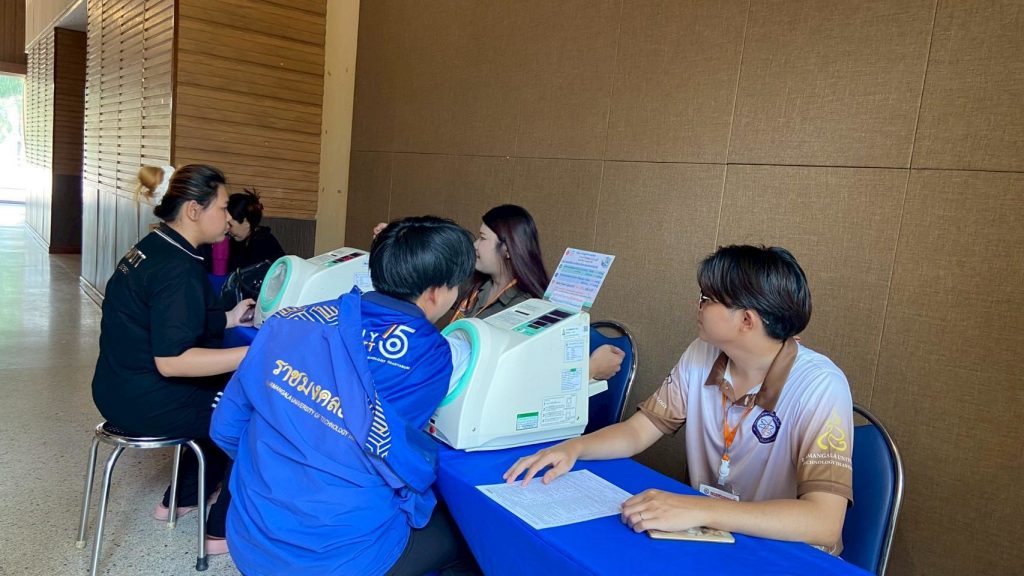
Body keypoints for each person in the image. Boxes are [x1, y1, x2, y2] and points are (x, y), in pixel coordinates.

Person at [505, 245, 854, 554]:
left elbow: (824, 521)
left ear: (747, 320)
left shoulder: (820, 386)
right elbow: (639, 431)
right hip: (710, 538)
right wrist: (574, 448)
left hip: (783, 554)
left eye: (707, 299)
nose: (697, 306)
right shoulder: (702, 353)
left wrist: (699, 509)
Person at [211, 216, 481, 576]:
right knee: (470, 536)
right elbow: (401, 461)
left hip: (250, 536)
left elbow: (226, 427)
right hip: (336, 555)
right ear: (435, 292)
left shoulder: (292, 320)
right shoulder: (428, 354)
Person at [91, 164, 255, 555]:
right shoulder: (178, 268)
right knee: (248, 410)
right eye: (223, 208)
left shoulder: (154, 246)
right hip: (148, 402)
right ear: (194, 210)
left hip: (115, 389)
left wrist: (228, 319)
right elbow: (173, 361)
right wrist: (253, 354)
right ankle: (221, 531)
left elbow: (165, 318)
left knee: (220, 393)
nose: (228, 219)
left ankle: (180, 500)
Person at [376, 204, 624, 382]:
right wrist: (398, 246)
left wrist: (588, 371)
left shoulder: (527, 306)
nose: (475, 246)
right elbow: (428, 275)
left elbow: (524, 376)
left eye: (482, 238)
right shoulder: (473, 285)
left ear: (506, 249)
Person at [224, 188, 285, 271]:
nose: (226, 228)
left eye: (230, 225)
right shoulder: (235, 240)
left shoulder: (265, 243)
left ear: (246, 222)